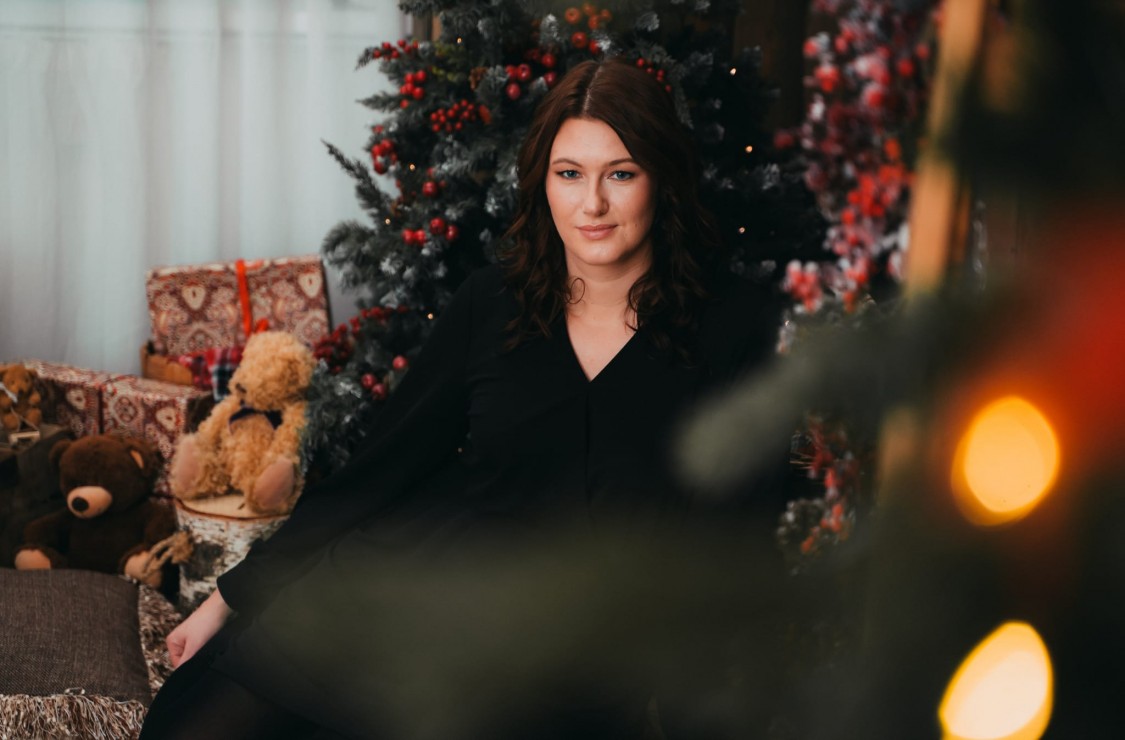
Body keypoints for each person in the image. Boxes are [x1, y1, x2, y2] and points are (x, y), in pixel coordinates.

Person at [140, 57, 783, 739]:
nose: (591, 204)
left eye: (620, 174)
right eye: (569, 174)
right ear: (542, 182)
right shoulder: (491, 302)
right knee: (203, 723)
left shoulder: (734, 326)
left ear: (661, 179)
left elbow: (736, 543)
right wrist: (229, 599)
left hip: (567, 651)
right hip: (422, 582)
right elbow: (379, 470)